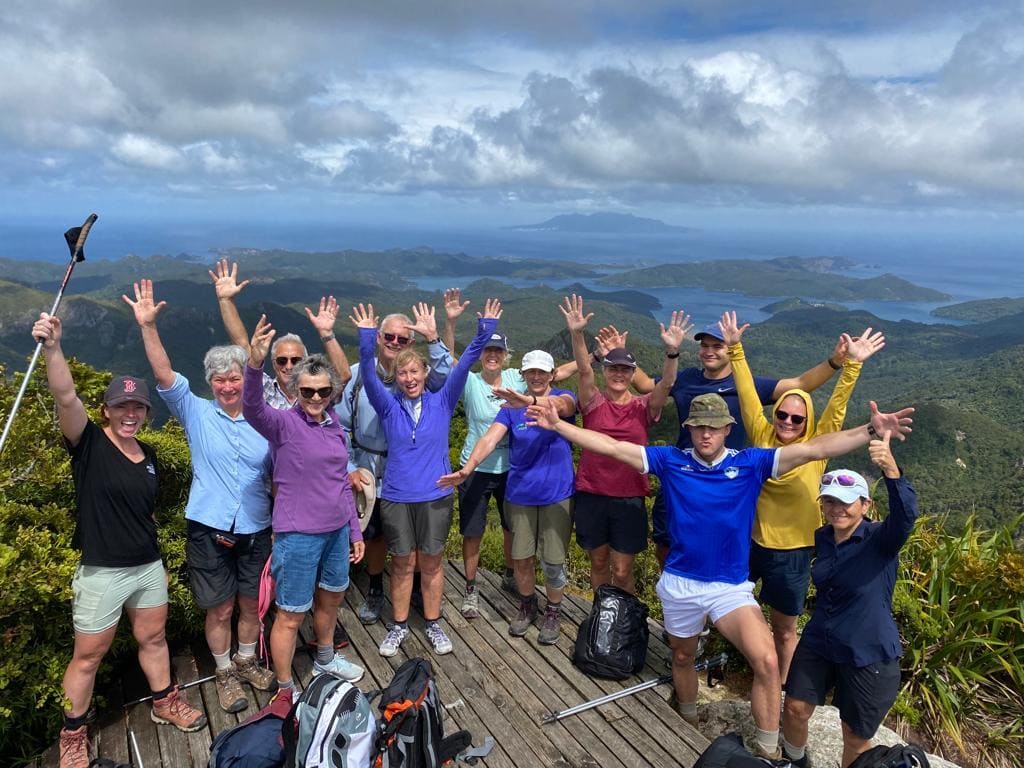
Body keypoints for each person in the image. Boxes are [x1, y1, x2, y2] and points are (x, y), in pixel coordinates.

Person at [526, 392, 913, 758]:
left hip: (729, 587)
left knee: (766, 661)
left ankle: (767, 750)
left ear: (728, 428)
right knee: (681, 655)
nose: (706, 433)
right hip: (680, 581)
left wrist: (870, 431)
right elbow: (610, 446)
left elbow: (814, 449)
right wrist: (558, 424)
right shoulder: (670, 460)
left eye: (713, 427)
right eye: (698, 427)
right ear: (690, 429)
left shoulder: (748, 464)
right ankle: (689, 720)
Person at [33, 313, 205, 768]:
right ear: (106, 410)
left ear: (147, 413)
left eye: (139, 408)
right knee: (88, 655)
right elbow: (65, 395)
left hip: (146, 567)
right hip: (102, 570)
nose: (131, 414)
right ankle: (73, 735)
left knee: (153, 639)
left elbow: (143, 510)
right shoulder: (87, 443)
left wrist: (156, 561)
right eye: (121, 407)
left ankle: (164, 701)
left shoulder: (147, 455)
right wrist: (53, 347)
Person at [125, 279, 276, 714]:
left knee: (251, 603)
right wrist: (148, 326)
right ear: (209, 383)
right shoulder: (196, 411)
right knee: (220, 608)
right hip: (209, 528)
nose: (228, 386)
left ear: (244, 381)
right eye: (219, 380)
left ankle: (248, 661)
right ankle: (225, 669)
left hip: (257, 526)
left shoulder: (263, 420)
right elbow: (163, 375)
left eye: (234, 378)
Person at [719, 311, 885, 683]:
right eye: (783, 414)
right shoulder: (761, 436)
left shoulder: (816, 447)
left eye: (797, 418)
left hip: (793, 555)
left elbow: (836, 409)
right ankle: (742, 669)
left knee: (784, 630)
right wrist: (735, 348)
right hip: (748, 544)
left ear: (806, 422)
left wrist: (852, 366)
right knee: (731, 613)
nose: (788, 422)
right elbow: (747, 394)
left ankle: (781, 690)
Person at [211, 258, 355, 649]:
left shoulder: (320, 399)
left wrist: (327, 336)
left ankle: (313, 632)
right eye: (282, 360)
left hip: (314, 499)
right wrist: (226, 301)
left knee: (318, 578)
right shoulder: (269, 396)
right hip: (276, 497)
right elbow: (248, 351)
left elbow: (341, 377)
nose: (289, 366)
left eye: (296, 360)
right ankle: (279, 639)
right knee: (282, 578)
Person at [624, 320, 848, 566]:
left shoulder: (746, 385)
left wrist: (836, 361)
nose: (709, 351)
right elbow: (645, 385)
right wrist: (621, 357)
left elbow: (801, 385)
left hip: (726, 481)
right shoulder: (685, 379)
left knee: (718, 546)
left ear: (729, 349)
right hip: (681, 475)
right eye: (705, 346)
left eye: (717, 346)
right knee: (666, 544)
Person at [351, 300, 499, 657]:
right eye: (403, 374)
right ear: (398, 378)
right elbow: (369, 375)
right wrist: (367, 336)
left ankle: (432, 623)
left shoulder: (443, 400)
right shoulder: (387, 404)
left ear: (424, 373)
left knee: (431, 563)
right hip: (398, 496)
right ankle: (399, 625)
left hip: (435, 494)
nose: (411, 379)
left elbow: (464, 362)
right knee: (402, 563)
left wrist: (486, 329)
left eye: (416, 372)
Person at [242, 315, 366, 709]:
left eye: (323, 391)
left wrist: (356, 531)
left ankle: (326, 659)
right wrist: (254, 363)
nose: (315, 398)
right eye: (308, 391)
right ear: (295, 390)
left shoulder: (332, 426)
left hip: (336, 533)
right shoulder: (282, 424)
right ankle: (284, 687)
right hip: (297, 535)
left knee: (331, 600)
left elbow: (339, 482)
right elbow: (252, 408)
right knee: (291, 613)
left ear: (331, 393)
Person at [781, 435, 918, 768]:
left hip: (866, 651)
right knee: (796, 708)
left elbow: (905, 517)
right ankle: (795, 762)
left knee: (854, 737)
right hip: (821, 640)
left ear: (865, 505)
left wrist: (889, 467)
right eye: (829, 501)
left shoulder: (879, 541)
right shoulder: (823, 538)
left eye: (846, 502)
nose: (836, 508)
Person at [443, 287, 577, 617]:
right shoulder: (471, 380)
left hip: (511, 470)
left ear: (506, 355)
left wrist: (594, 357)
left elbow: (557, 375)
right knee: (473, 532)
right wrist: (450, 324)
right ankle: (472, 587)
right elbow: (448, 361)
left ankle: (511, 576)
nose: (492, 354)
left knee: (512, 532)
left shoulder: (519, 379)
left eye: (497, 350)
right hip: (478, 467)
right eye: (487, 349)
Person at [335, 304, 455, 626]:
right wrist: (348, 466)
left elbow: (446, 376)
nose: (396, 343)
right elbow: (342, 426)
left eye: (404, 339)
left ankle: (415, 590)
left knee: (412, 537)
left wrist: (438, 336)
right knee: (375, 535)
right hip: (367, 466)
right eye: (390, 336)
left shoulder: (416, 377)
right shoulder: (360, 375)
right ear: (378, 338)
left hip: (409, 471)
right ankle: (376, 589)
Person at [562, 294, 689, 593]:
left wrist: (672, 352)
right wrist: (577, 333)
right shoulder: (593, 403)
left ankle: (624, 620)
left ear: (633, 375)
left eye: (625, 370)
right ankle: (600, 617)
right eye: (613, 368)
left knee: (621, 570)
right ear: (605, 371)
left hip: (629, 496)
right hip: (592, 493)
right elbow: (583, 370)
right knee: (598, 563)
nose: (618, 374)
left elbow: (667, 385)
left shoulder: (643, 407)